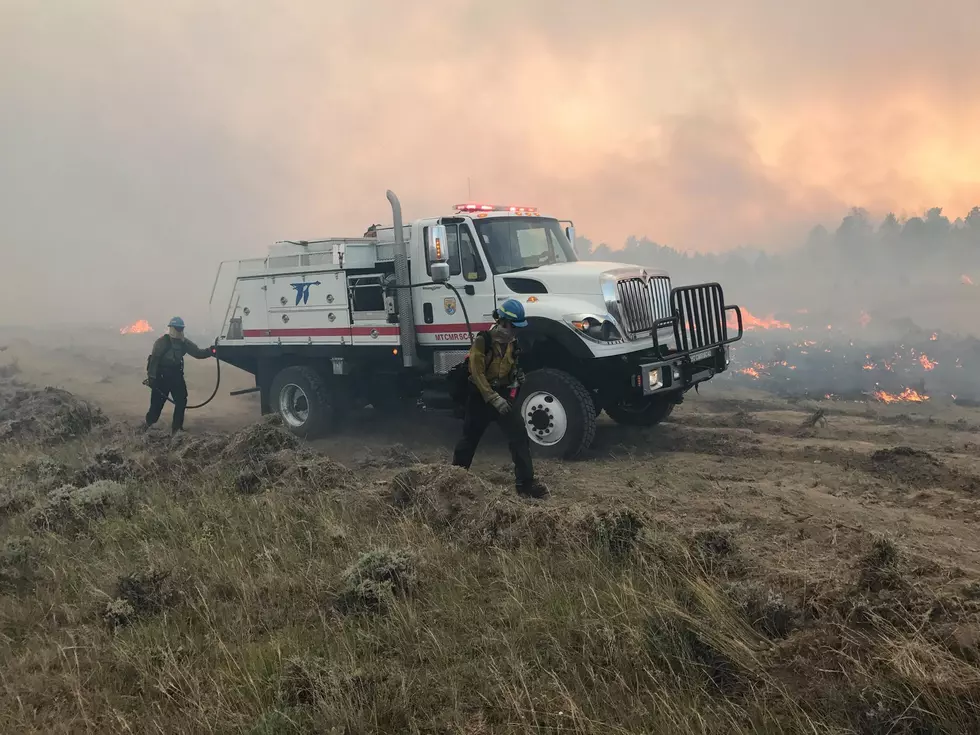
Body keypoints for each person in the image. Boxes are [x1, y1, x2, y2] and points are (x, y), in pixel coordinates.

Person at [452, 299, 548, 498]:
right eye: (512, 327)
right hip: (481, 396)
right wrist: (493, 399)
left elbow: (511, 368)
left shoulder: (514, 344)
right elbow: (476, 374)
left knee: (519, 435)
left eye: (517, 328)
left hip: (503, 395)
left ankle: (526, 484)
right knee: (469, 439)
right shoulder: (483, 341)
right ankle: (453, 483)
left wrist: (516, 377)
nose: (514, 332)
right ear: (502, 321)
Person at [141, 316, 213, 435]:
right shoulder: (162, 342)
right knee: (156, 404)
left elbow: (198, 353)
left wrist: (211, 351)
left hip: (176, 376)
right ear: (171, 328)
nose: (179, 331)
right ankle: (147, 426)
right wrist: (152, 378)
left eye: (181, 329)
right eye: (177, 328)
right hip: (161, 377)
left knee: (181, 401)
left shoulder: (184, 343)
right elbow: (154, 360)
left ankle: (177, 429)